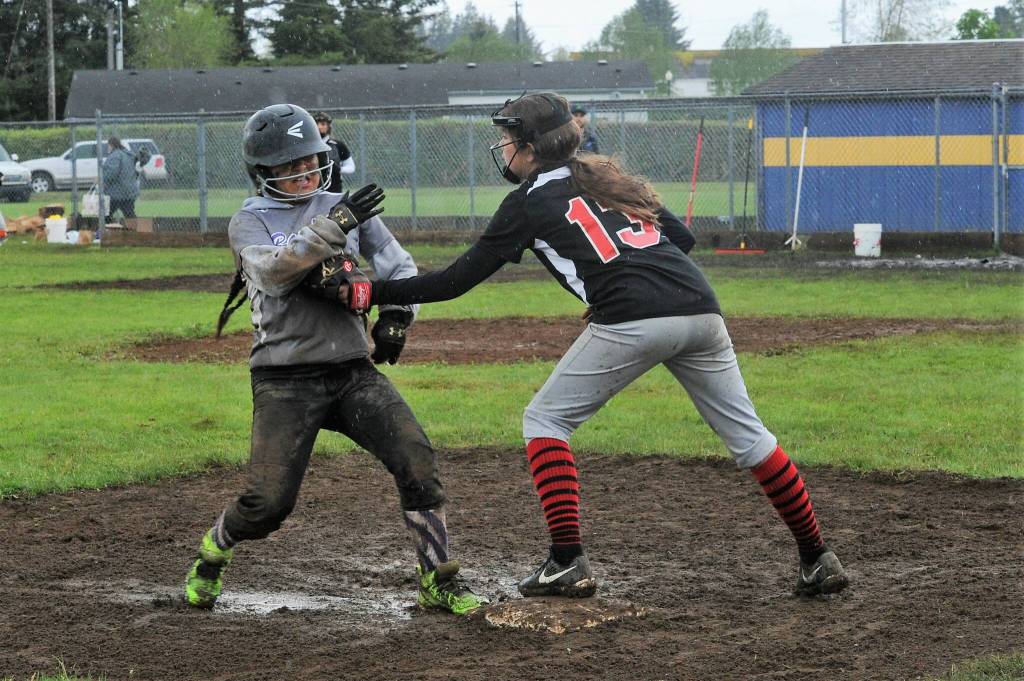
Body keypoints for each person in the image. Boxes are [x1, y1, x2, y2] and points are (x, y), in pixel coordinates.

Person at [363, 92, 850, 599]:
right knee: (751, 437)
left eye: (508, 138)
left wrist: (372, 290)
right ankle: (818, 557)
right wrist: (629, 277)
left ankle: (567, 562)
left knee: (545, 421)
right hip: (702, 309)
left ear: (529, 147)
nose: (503, 147)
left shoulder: (528, 200)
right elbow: (680, 240)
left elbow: (454, 281)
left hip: (633, 318)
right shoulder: (609, 176)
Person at [183, 103, 487, 616]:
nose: (304, 172)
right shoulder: (249, 220)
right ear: (263, 174)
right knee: (268, 506)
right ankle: (214, 549)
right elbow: (276, 274)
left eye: (310, 160)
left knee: (416, 460)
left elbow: (398, 265)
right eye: (290, 165)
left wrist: (396, 316)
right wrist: (334, 225)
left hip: (350, 370)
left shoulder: (344, 205)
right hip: (284, 378)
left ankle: (436, 578)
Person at [312, 111, 356, 193]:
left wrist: (338, 169)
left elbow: (351, 167)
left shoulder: (338, 145)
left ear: (328, 126)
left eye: (323, 124)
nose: (319, 127)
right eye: (316, 124)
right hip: (312, 191)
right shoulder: (307, 146)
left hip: (334, 190)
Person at [100, 136, 139, 225]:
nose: (107, 148)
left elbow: (111, 173)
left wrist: (101, 179)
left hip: (117, 193)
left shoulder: (115, 156)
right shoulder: (128, 155)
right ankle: (137, 231)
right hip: (129, 191)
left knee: (106, 214)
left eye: (108, 145)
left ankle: (104, 231)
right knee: (129, 214)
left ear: (111, 145)